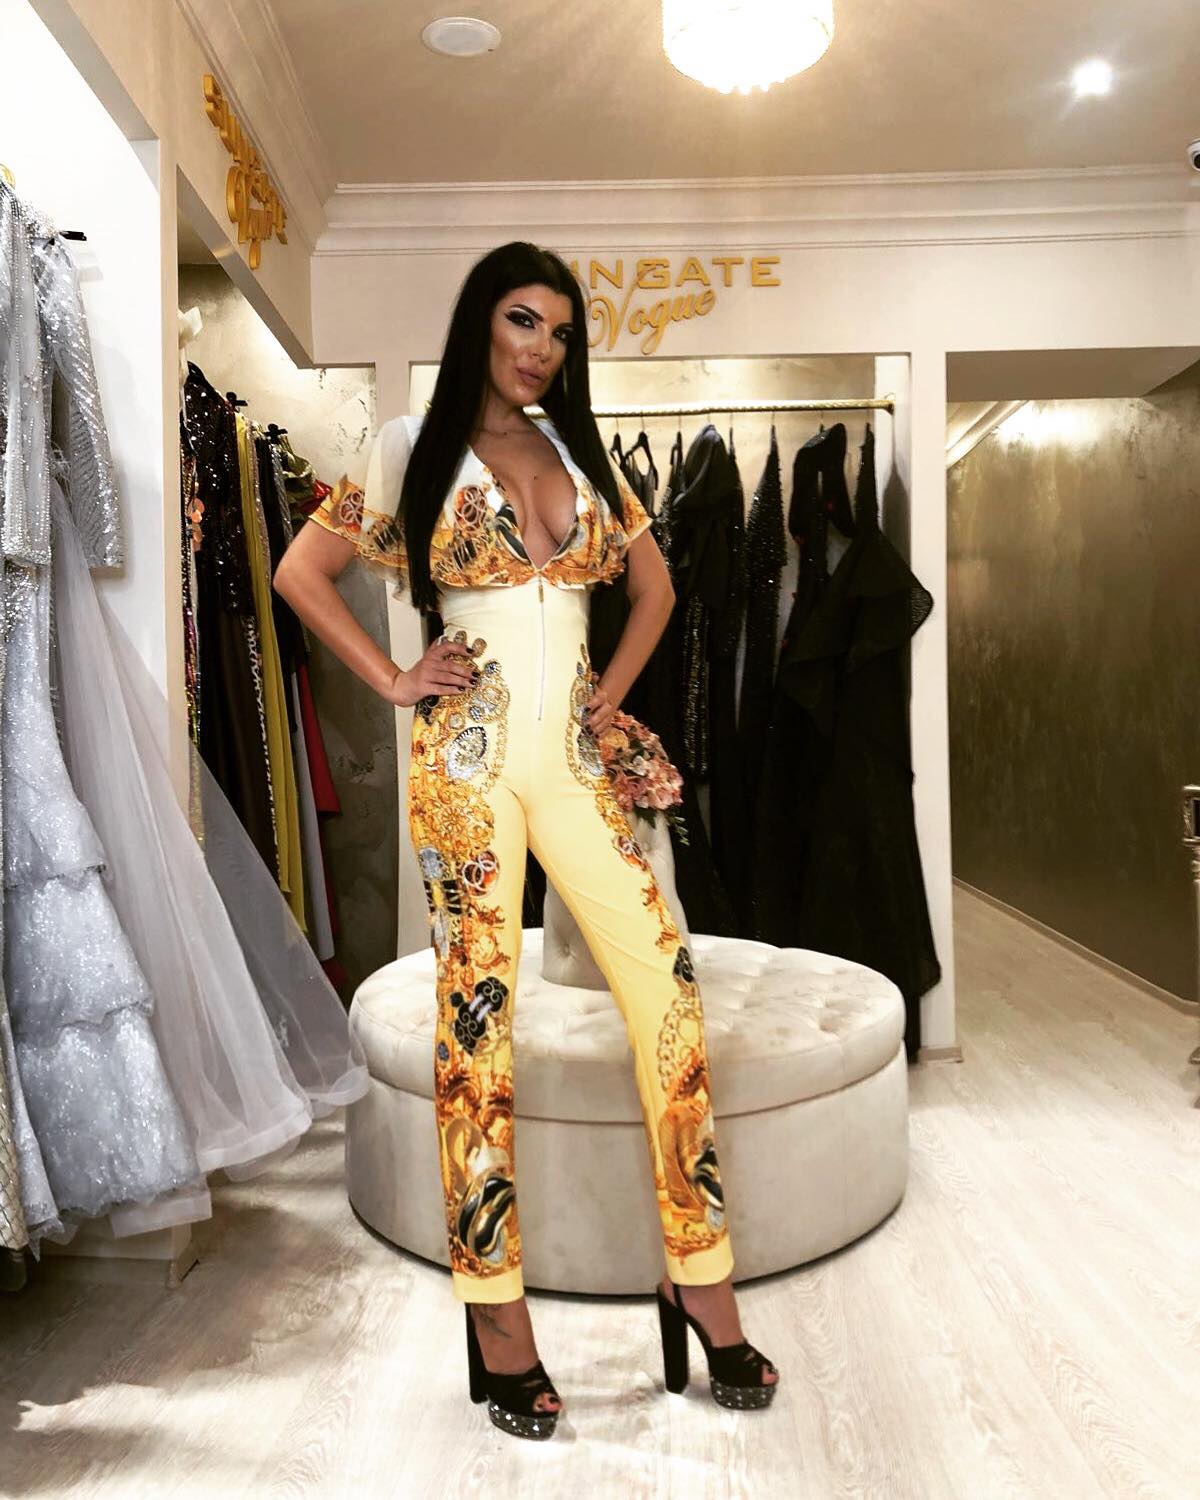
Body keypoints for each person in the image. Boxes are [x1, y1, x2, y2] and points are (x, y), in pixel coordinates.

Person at [274, 241, 778, 1440]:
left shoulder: (582, 452)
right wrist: (395, 677)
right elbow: (301, 572)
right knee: (478, 1026)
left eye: (559, 330)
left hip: (572, 765)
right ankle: (497, 1310)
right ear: (479, 324)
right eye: (520, 320)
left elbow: (654, 593)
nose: (541, 348)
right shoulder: (411, 447)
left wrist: (608, 703)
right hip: (465, 765)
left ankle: (698, 1272)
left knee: (668, 989)